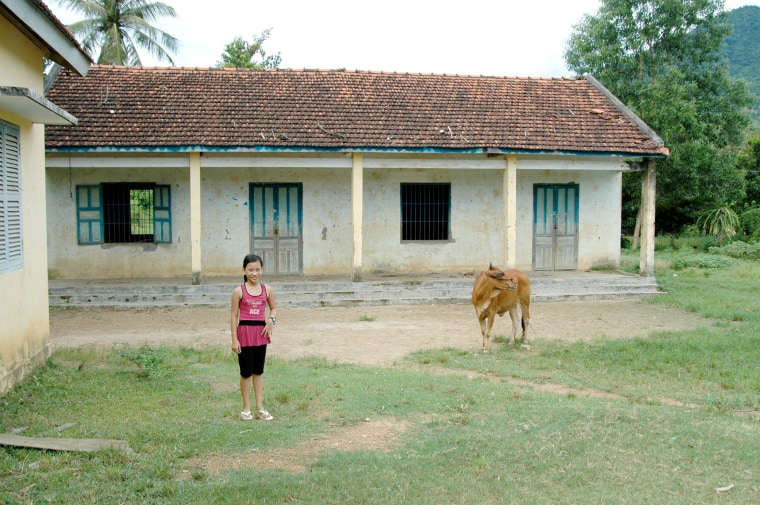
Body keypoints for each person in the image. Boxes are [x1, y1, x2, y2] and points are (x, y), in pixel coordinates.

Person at [231, 254, 277, 421]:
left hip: (261, 334)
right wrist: (234, 339)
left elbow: (273, 308)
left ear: (262, 270)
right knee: (246, 373)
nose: (254, 273)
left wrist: (272, 320)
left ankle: (260, 407)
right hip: (244, 334)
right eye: (250, 269)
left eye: (257, 269)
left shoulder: (267, 290)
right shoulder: (238, 291)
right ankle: (246, 409)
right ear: (244, 270)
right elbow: (234, 315)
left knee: (258, 371)